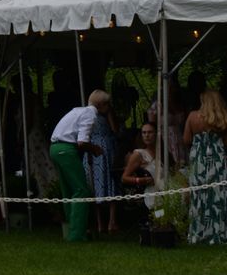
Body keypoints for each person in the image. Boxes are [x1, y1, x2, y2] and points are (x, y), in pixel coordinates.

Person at [48, 90, 109, 242]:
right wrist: (94, 149)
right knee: (81, 190)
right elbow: (82, 141)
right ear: (101, 105)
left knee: (67, 190)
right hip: (67, 150)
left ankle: (69, 229)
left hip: (55, 148)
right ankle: (77, 235)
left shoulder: (77, 110)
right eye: (108, 104)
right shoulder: (91, 114)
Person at [184, 90, 227, 245]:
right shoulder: (223, 118)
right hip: (216, 159)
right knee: (216, 193)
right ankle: (217, 233)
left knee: (198, 193)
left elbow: (186, 140)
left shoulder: (192, 117)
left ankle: (197, 233)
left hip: (198, 158)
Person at [86, 93, 121, 235]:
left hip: (93, 148)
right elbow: (115, 129)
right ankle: (109, 221)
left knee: (99, 181)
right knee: (106, 180)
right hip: (103, 148)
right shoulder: (99, 114)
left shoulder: (88, 115)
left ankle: (104, 222)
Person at [121, 122, 158, 226]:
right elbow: (124, 178)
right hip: (150, 192)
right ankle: (157, 224)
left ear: (156, 134)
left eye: (150, 132)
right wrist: (141, 180)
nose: (147, 135)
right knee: (159, 213)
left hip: (166, 188)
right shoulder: (138, 154)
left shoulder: (162, 152)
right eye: (144, 132)